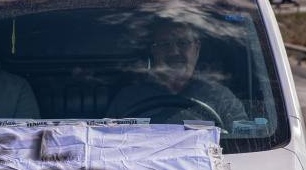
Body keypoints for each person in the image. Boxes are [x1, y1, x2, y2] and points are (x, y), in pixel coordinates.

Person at [106, 21, 247, 127]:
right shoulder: (128, 99)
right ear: (153, 51)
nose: (174, 52)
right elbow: (108, 143)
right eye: (164, 44)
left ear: (196, 49)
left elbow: (245, 141)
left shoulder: (220, 98)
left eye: (183, 43)